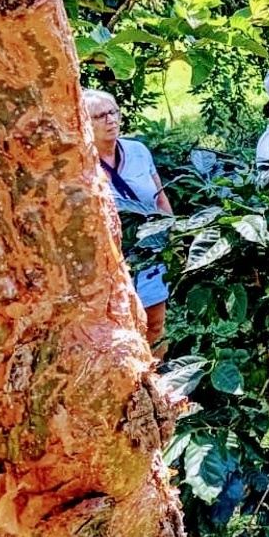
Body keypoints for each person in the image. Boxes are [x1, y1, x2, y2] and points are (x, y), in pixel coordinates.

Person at [84, 88, 173, 348]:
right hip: (109, 261)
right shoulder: (80, 163)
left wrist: (172, 235)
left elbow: (160, 197)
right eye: (100, 116)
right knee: (119, 331)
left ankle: (156, 371)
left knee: (155, 324)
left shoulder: (138, 151)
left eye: (113, 112)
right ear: (84, 122)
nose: (110, 120)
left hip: (149, 253)